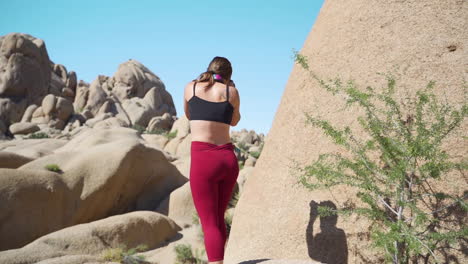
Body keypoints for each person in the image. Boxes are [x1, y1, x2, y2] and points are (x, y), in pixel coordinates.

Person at [183, 56, 241, 263]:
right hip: (227, 159)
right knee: (217, 219)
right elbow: (234, 121)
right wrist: (229, 88)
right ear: (228, 76)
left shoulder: (191, 87)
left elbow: (189, 114)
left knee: (208, 223)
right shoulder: (231, 92)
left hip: (203, 160)